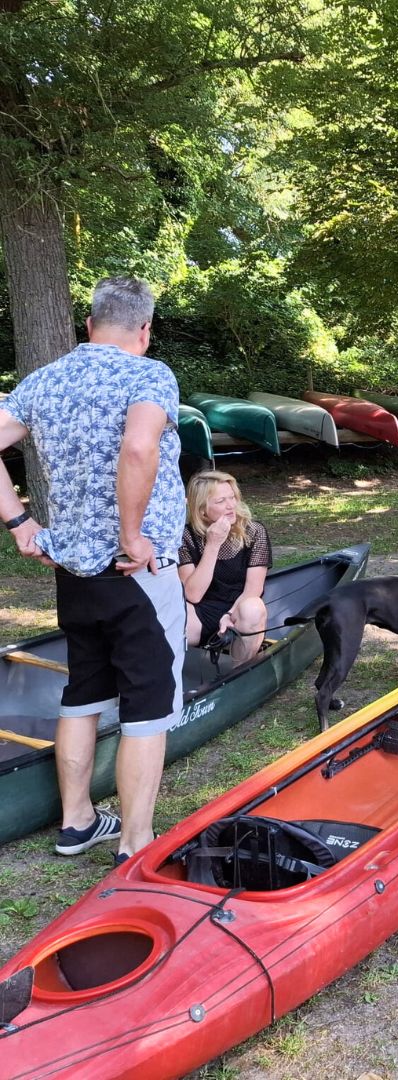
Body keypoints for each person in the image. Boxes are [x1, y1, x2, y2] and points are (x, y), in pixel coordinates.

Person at [0, 276, 186, 863]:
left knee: (83, 690)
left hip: (73, 573)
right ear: (145, 329)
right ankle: (135, 843)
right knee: (148, 703)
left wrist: (18, 523)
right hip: (137, 570)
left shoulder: (44, 381)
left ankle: (77, 821)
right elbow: (139, 448)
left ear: (89, 325)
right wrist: (132, 534)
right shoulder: (148, 375)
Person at [179, 470, 271, 664]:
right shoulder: (186, 536)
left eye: (232, 498)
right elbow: (193, 594)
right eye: (221, 501)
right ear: (202, 509)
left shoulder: (254, 532)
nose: (231, 506)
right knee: (174, 612)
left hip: (239, 608)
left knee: (254, 607)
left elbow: (253, 590)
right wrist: (213, 544)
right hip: (202, 610)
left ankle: (239, 672)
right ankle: (184, 675)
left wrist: (230, 615)